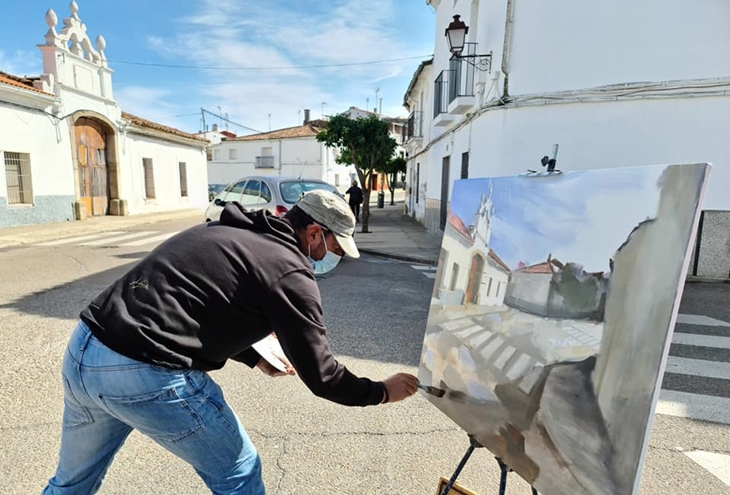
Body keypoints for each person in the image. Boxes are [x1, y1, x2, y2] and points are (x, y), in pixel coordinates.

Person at [42, 190, 419, 495]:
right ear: (315, 233)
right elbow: (323, 376)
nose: (332, 259)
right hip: (144, 372)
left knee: (71, 484)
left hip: (84, 351)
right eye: (334, 249)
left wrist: (254, 356)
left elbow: (201, 304)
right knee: (240, 475)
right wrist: (382, 391)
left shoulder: (225, 233)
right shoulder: (290, 272)